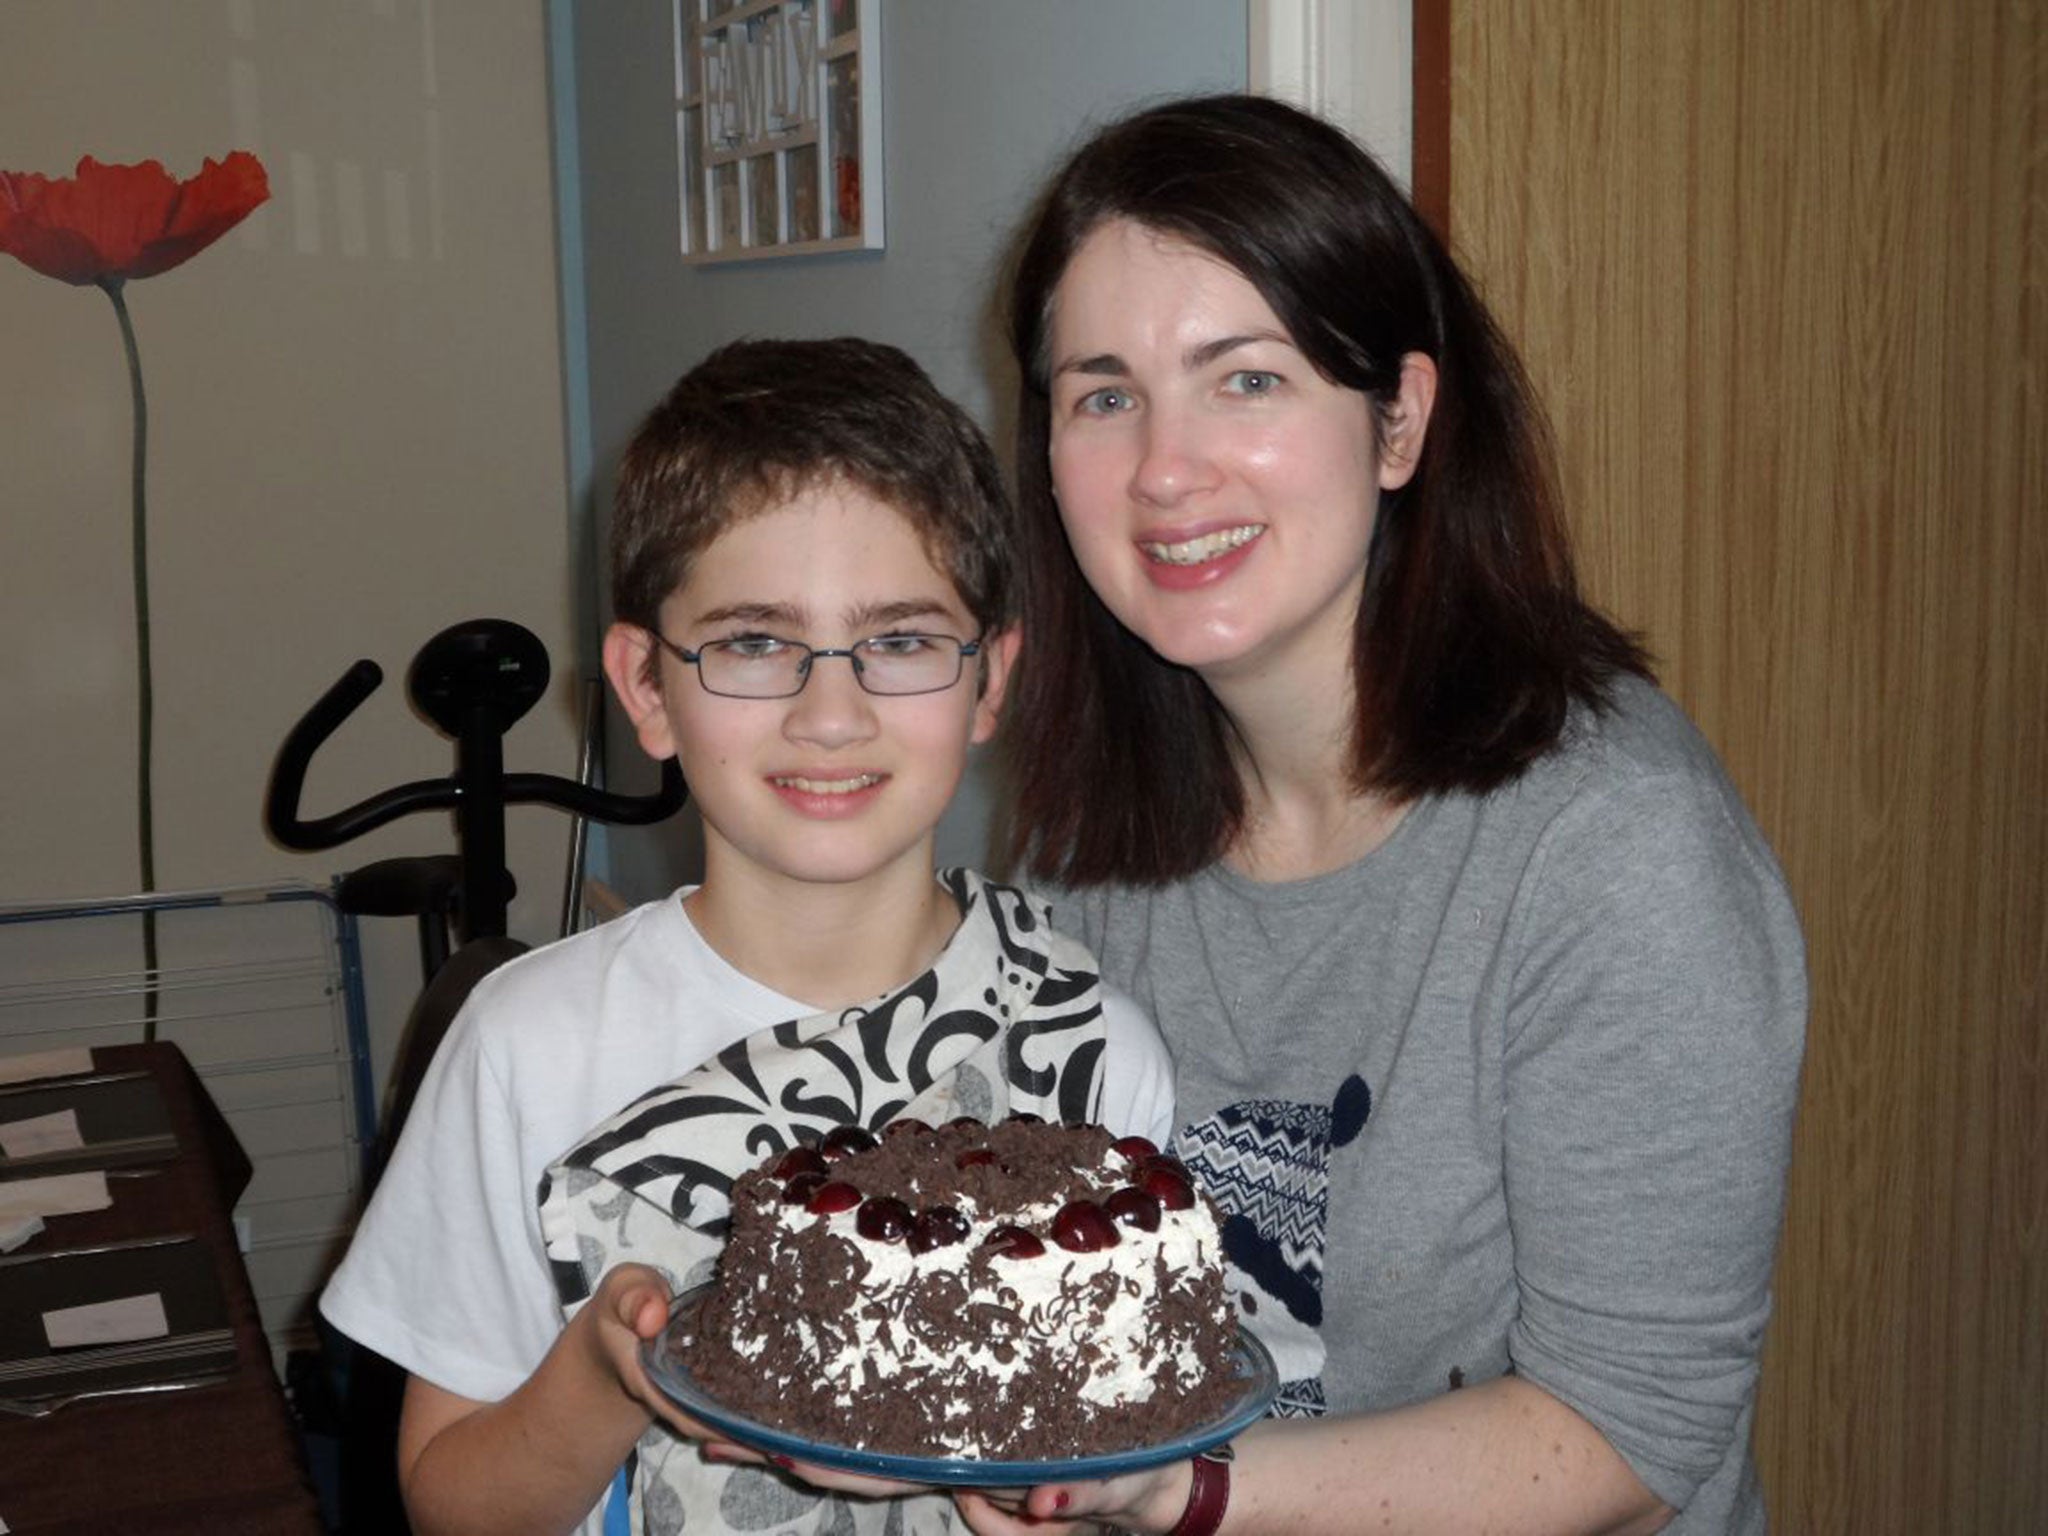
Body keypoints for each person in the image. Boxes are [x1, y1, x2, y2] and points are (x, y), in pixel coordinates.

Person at [964, 94, 1807, 1536]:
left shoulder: (1612, 852)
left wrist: (1183, 1494)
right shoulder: (1085, 830)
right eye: (1105, 395)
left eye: (1246, 380)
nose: (1166, 471)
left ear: (1401, 419)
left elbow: (1631, 1430)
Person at [319, 336, 1177, 1536]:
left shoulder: (1094, 1057)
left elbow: (1118, 1466)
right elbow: (456, 1507)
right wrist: (604, 1375)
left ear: (989, 684)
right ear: (646, 689)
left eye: (901, 639)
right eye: (754, 642)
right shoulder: (527, 1045)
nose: (831, 713)